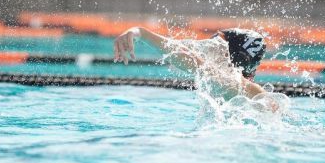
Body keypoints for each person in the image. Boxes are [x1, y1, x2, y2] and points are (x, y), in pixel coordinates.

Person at [113, 26, 268, 99]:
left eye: (215, 48)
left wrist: (143, 34)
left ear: (233, 57)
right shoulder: (238, 87)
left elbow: (192, 61)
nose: (207, 51)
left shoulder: (245, 89)